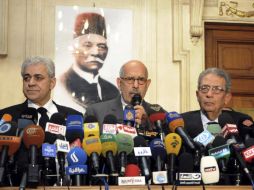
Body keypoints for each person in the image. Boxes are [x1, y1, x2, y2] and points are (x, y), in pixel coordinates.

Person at [0, 56, 82, 186]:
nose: (30, 82)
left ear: (52, 83)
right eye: (26, 78)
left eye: (38, 78)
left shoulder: (74, 117)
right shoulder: (6, 117)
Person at [55, 12, 119, 113]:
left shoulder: (113, 91)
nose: (95, 52)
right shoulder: (61, 84)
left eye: (101, 46)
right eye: (88, 45)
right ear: (74, 48)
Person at [85, 59, 166, 135]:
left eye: (141, 79)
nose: (136, 85)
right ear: (119, 83)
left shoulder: (158, 114)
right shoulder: (96, 112)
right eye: (130, 79)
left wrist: (148, 123)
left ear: (147, 84)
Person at [181, 67, 253, 139]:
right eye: (204, 88)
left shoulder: (240, 122)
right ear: (197, 95)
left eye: (216, 89)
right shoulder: (181, 123)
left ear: (226, 98)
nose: (209, 94)